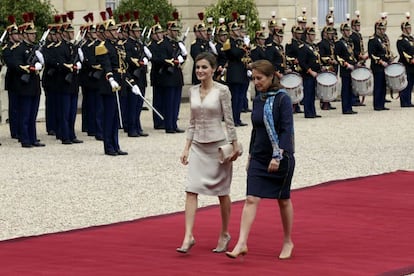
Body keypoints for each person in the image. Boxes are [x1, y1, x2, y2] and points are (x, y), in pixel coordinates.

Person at [226, 59, 295, 260]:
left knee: (283, 200)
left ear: (271, 76)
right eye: (253, 78)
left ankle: (288, 240)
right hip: (259, 156)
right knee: (251, 198)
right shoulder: (258, 99)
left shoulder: (283, 99)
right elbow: (256, 130)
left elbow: (286, 130)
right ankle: (241, 242)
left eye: (260, 78)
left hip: (281, 156)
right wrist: (249, 155)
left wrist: (278, 155)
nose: (256, 82)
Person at [177, 52, 240, 254]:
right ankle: (188, 236)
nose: (200, 71)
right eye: (197, 67)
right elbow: (192, 122)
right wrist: (186, 148)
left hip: (218, 148)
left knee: (222, 193)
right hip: (197, 146)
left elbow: (229, 120)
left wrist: (235, 145)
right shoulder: (193, 91)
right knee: (191, 189)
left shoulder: (223, 91)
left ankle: (224, 233)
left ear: (213, 69)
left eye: (204, 67)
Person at [396, 13, 414, 107]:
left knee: (410, 84)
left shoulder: (411, 38)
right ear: (403, 29)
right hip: (406, 64)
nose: (409, 29)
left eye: (410, 27)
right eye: (408, 28)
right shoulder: (401, 40)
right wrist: (410, 59)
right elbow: (403, 53)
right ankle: (404, 101)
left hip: (412, 65)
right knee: (405, 84)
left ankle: (408, 101)